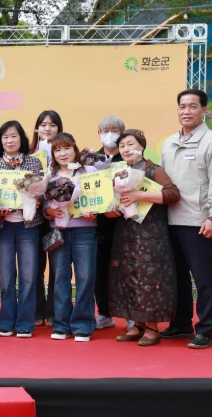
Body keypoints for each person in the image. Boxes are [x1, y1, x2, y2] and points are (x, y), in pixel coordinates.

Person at [160, 89, 212, 349]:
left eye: (192, 106)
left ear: (204, 110)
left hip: (198, 221)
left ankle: (205, 329)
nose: (186, 111)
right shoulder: (168, 143)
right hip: (169, 221)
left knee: (203, 278)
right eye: (182, 106)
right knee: (177, 277)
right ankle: (181, 323)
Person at [105, 130, 180, 346]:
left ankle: (152, 327)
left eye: (130, 144)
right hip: (125, 233)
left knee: (150, 279)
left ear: (142, 146)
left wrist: (140, 195)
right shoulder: (119, 172)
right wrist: (110, 209)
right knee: (128, 276)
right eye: (122, 146)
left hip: (151, 235)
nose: (126, 149)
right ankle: (137, 324)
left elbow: (173, 194)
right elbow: (112, 199)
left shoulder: (154, 170)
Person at [0, 121, 44, 338]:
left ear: (22, 138)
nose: (9, 141)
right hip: (3, 226)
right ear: (0, 141)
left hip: (28, 226)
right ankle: (6, 321)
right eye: (5, 137)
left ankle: (25, 323)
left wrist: (38, 200)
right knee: (6, 277)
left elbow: (43, 192)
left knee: (28, 277)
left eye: (13, 136)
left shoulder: (33, 162)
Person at [44, 133, 97, 342]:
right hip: (59, 232)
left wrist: (95, 211)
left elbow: (100, 197)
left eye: (67, 148)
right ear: (53, 155)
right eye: (57, 150)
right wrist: (49, 211)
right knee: (60, 278)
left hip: (85, 231)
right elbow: (42, 203)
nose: (63, 153)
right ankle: (61, 324)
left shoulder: (89, 171)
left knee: (85, 277)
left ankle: (83, 324)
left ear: (75, 150)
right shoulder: (49, 176)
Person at [29, 110, 63, 328]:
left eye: (52, 125)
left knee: (58, 266)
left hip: (58, 217)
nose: (47, 128)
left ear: (59, 129)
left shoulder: (65, 154)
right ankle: (37, 309)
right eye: (43, 124)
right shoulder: (28, 154)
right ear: (37, 128)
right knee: (34, 266)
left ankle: (53, 311)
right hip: (33, 219)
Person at [93, 115, 126, 331]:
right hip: (99, 225)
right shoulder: (90, 160)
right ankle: (104, 313)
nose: (110, 134)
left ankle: (132, 315)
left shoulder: (130, 158)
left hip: (126, 224)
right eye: (105, 130)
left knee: (128, 270)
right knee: (100, 269)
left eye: (115, 130)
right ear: (99, 134)